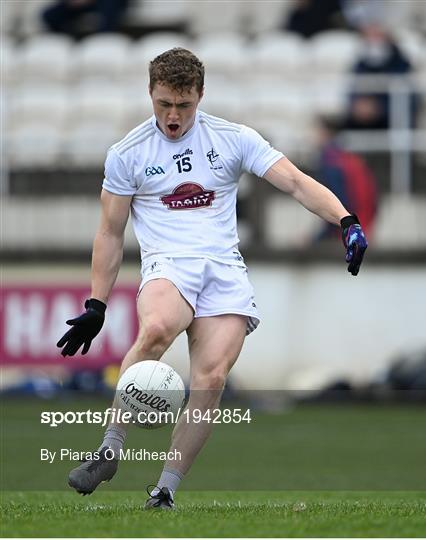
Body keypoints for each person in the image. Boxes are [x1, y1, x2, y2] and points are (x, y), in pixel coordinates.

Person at [57, 48, 368, 510]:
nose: (173, 116)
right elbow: (110, 231)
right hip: (168, 263)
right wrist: (96, 305)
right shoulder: (127, 153)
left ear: (200, 95)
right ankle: (110, 448)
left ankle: (164, 492)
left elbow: (297, 182)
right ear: (151, 94)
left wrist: (346, 221)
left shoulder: (232, 138)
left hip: (223, 269)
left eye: (183, 105)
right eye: (164, 104)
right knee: (158, 328)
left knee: (211, 377)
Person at [315, 116, 377, 240]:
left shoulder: (331, 160)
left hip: (347, 229)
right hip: (361, 223)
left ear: (326, 133)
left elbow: (338, 203)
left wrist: (317, 238)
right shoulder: (346, 156)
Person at [344, 22, 416, 130]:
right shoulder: (360, 62)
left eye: (377, 35)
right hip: (364, 115)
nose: (375, 40)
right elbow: (353, 87)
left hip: (391, 110)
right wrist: (358, 104)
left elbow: (403, 86)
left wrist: (379, 106)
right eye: (371, 35)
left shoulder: (400, 60)